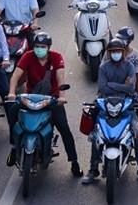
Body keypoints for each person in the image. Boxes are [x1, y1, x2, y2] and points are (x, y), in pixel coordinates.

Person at [6, 33, 83, 177]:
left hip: (51, 99)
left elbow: (61, 77)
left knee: (64, 128)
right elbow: (16, 75)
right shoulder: (28, 56)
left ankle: (74, 162)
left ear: (48, 48)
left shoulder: (56, 57)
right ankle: (14, 147)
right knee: (13, 112)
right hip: (30, 98)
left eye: (43, 47)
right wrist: (11, 93)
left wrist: (62, 97)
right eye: (37, 46)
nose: (39, 49)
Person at [82, 39, 138, 184]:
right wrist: (121, 85)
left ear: (123, 52)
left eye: (118, 51)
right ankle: (93, 169)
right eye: (113, 51)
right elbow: (102, 88)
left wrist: (111, 85)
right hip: (105, 105)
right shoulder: (103, 67)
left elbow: (130, 89)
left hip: (126, 106)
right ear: (109, 53)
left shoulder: (130, 66)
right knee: (96, 135)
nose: (116, 54)